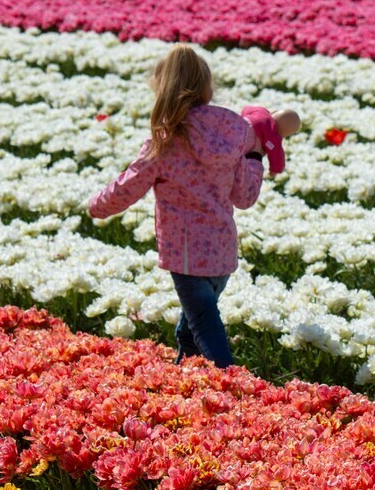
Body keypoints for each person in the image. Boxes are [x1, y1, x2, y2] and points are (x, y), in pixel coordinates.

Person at [88, 44, 271, 368]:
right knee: (195, 323)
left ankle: (235, 390)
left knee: (204, 327)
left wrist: (96, 206)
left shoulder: (165, 140)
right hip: (222, 252)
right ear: (206, 86)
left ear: (163, 88)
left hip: (186, 256)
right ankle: (183, 373)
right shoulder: (234, 135)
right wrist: (255, 158)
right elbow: (244, 198)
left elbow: (128, 187)